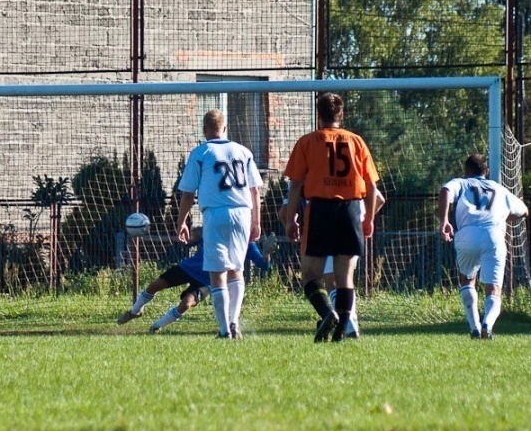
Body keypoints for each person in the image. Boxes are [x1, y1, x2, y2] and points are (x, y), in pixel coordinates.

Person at [283, 92, 380, 342]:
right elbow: (372, 187)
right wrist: (368, 218)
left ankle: (328, 314)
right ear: (341, 114)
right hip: (350, 210)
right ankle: (340, 330)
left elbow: (295, 186)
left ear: (319, 115)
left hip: (320, 210)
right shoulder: (356, 141)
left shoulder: (307, 142)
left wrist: (290, 220)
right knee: (344, 276)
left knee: (310, 275)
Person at [175, 109, 263, 339]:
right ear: (225, 128)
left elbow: (187, 194)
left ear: (204, 130)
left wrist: (181, 221)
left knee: (217, 273)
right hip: (243, 213)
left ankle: (224, 330)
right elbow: (255, 190)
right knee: (237, 270)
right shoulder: (243, 152)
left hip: (215, 214)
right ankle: (234, 323)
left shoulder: (201, 152)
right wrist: (257, 222)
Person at [278, 178, 386, 339]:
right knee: (344, 279)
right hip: (352, 219)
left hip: (326, 219)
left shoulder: (309, 166)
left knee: (330, 280)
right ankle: (348, 322)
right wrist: (364, 220)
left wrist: (290, 223)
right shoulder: (352, 160)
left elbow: (285, 211)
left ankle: (346, 325)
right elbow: (378, 198)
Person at [116, 229, 276, 334]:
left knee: (186, 304)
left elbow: (263, 265)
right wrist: (190, 235)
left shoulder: (247, 242)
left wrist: (267, 253)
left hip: (208, 280)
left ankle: (156, 326)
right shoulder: (215, 228)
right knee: (155, 285)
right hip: (188, 267)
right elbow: (192, 238)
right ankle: (135, 311)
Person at [438, 154, 528, 339]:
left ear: (467, 170)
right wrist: (502, 216)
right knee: (493, 288)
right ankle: (488, 323)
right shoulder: (499, 189)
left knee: (467, 279)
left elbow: (446, 190)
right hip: (493, 236)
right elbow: (524, 211)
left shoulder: (462, 183)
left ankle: (474, 328)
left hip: (467, 234)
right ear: (486, 171)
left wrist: (444, 220)